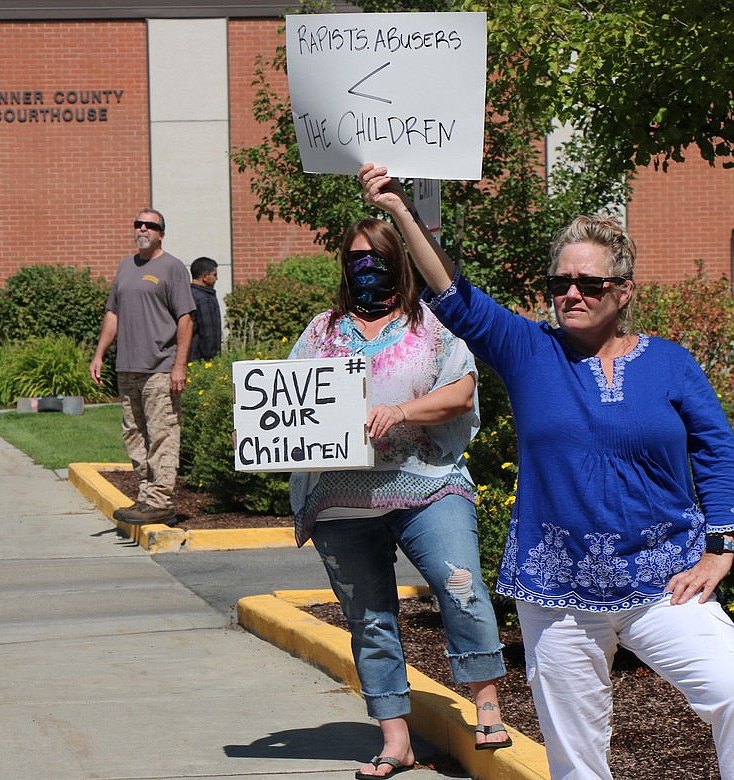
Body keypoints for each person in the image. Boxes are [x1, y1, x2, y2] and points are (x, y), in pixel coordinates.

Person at [360, 162, 734, 779]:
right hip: (558, 592)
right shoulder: (528, 350)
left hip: (667, 580)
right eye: (560, 281)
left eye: (589, 281)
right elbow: (454, 296)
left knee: (730, 686)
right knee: (576, 756)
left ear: (625, 289)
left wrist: (720, 548)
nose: (572, 293)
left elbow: (717, 451)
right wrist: (401, 211)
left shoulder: (671, 364)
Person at [288, 217, 510, 778]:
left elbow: (462, 391)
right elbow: (285, 406)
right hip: (342, 498)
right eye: (355, 259)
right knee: (368, 618)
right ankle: (395, 739)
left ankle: (486, 700)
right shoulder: (320, 333)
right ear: (343, 266)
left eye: (377, 259)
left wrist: (402, 412)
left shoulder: (431, 324)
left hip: (427, 483)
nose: (366, 269)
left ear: (400, 263)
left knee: (460, 585)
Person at [89, 209, 195, 527]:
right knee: (134, 434)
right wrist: (99, 355)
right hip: (127, 367)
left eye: (150, 225)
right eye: (138, 224)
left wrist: (179, 366)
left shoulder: (173, 268)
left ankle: (161, 501)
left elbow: (186, 318)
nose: (143, 229)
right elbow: (113, 314)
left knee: (162, 434)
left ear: (161, 233)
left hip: (160, 367)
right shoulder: (125, 266)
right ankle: (146, 496)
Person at [188, 256, 222, 361]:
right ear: (205, 276)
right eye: (214, 275)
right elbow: (208, 333)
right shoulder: (203, 299)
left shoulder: (188, 294)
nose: (216, 279)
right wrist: (211, 358)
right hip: (200, 359)